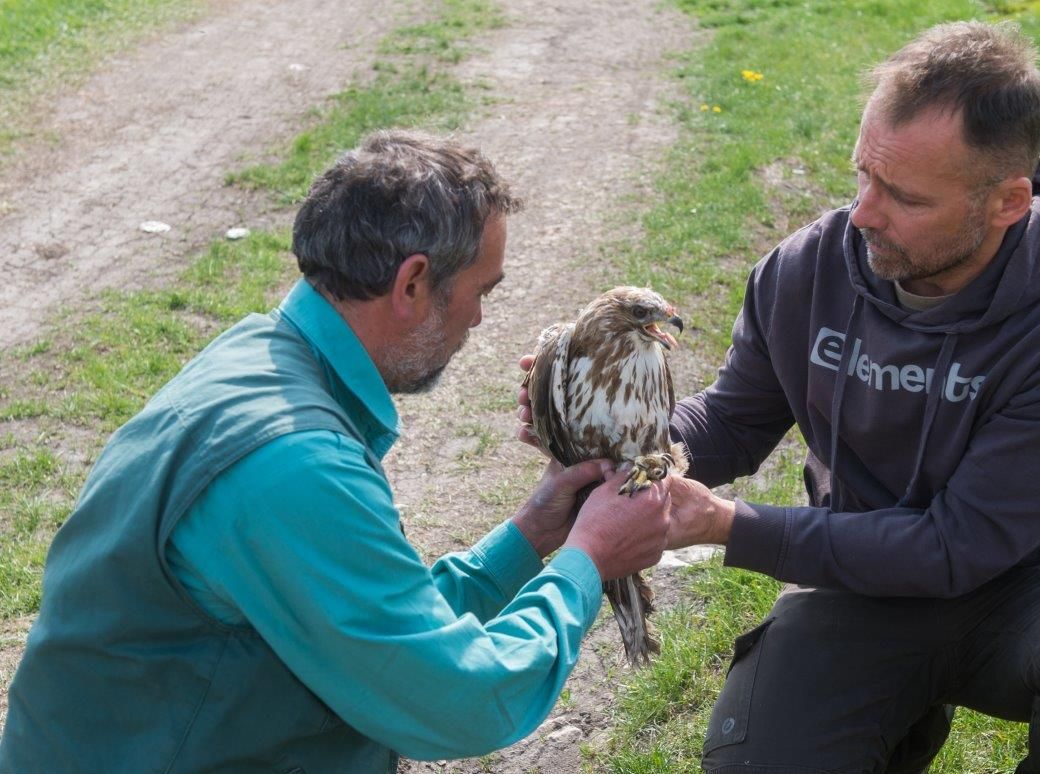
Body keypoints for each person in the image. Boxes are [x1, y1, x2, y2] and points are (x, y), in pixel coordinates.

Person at [0, 130, 671, 772]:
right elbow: (462, 701)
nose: (478, 320)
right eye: (480, 292)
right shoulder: (291, 463)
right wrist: (589, 561)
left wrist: (534, 533)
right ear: (411, 285)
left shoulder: (257, 363)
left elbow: (374, 626)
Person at [655, 21, 1040, 774]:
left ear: (1008, 202)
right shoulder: (811, 268)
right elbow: (732, 422)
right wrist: (614, 434)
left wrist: (726, 526)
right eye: (863, 176)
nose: (865, 213)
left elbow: (955, 547)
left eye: (904, 196)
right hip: (856, 580)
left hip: (1035, 586)